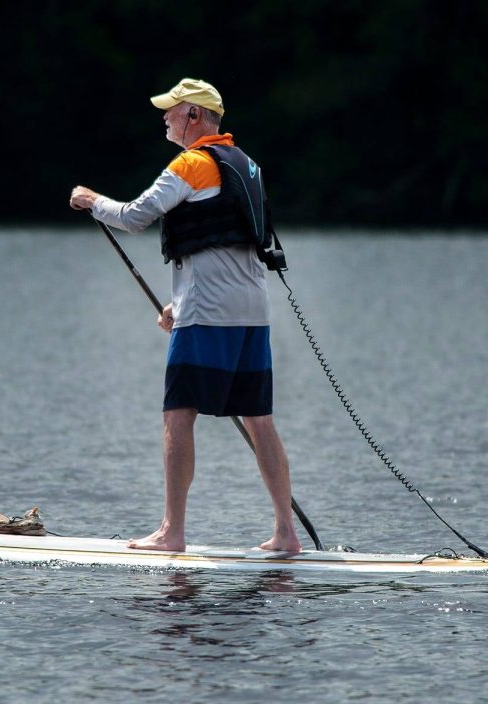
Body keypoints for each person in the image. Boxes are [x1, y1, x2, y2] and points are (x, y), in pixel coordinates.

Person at [69, 78, 301, 554]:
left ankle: (171, 532)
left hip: (208, 314)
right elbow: (228, 247)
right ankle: (286, 533)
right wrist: (181, 304)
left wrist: (92, 202)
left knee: (178, 416)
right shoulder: (246, 164)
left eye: (172, 111)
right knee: (259, 418)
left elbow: (135, 216)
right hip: (251, 312)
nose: (165, 118)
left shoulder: (193, 163)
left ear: (194, 116)